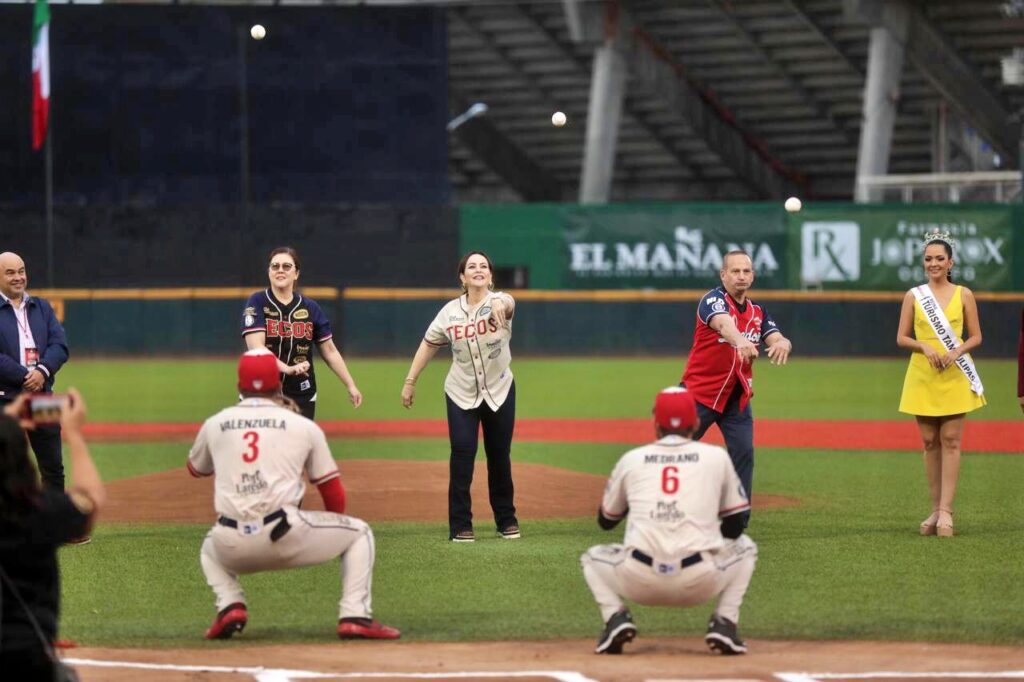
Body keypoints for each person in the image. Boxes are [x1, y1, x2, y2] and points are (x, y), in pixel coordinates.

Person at [188, 349, 399, 641]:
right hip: (286, 535)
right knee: (359, 533)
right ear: (278, 384)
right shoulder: (302, 425)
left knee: (209, 548)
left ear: (239, 386)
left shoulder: (215, 424)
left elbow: (195, 469)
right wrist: (330, 530)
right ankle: (354, 615)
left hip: (231, 543)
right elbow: (332, 491)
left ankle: (230, 604)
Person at [580, 386, 758, 656]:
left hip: (638, 580)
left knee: (592, 558)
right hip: (700, 581)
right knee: (746, 546)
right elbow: (734, 526)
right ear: (696, 422)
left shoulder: (632, 459)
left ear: (655, 422)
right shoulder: (716, 458)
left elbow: (606, 521)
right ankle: (725, 624)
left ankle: (615, 618)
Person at [400, 251, 519, 543]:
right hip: (461, 391)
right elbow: (428, 344)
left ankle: (506, 520)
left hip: (500, 390)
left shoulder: (500, 301)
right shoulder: (449, 313)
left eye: (483, 267)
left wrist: (502, 304)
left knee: (499, 456)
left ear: (490, 276)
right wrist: (410, 381)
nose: (478, 270)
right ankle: (460, 525)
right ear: (462, 278)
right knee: (462, 455)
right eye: (471, 267)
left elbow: (509, 304)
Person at [680, 250, 792, 527]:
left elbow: (776, 336)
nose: (741, 276)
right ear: (723, 275)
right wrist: (740, 340)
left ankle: (736, 518)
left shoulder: (757, 311)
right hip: (699, 394)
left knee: (743, 452)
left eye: (746, 271)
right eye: (735, 271)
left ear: (752, 275)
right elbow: (723, 323)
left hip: (736, 398)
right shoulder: (713, 300)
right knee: (675, 451)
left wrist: (782, 343)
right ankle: (661, 509)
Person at [0, 389, 104, 679]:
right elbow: (90, 499)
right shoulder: (41, 514)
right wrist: (74, 435)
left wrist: (6, 421)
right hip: (28, 660)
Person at [897, 231, 985, 538]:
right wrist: (925, 347)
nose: (933, 263)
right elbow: (902, 337)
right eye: (928, 259)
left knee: (951, 440)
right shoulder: (914, 295)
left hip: (954, 371)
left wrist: (956, 350)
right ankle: (935, 509)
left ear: (951, 262)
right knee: (929, 442)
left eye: (939, 259)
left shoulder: (964, 294)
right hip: (923, 372)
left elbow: (976, 336)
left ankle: (947, 511)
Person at [241, 246, 362, 421]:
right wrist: (288, 369)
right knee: (265, 446)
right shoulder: (257, 301)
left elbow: (330, 351)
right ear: (269, 272)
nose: (280, 270)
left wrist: (351, 385)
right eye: (275, 266)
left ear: (296, 273)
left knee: (298, 446)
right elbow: (256, 348)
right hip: (261, 389)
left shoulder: (310, 308)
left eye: (286, 266)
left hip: (301, 391)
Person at [0, 251, 70, 492]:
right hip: (6, 399)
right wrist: (24, 376)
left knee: (53, 467)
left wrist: (42, 370)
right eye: (10, 273)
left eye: (21, 271)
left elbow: (60, 346)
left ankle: (55, 527)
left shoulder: (41, 306)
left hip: (43, 397)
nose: (18, 277)